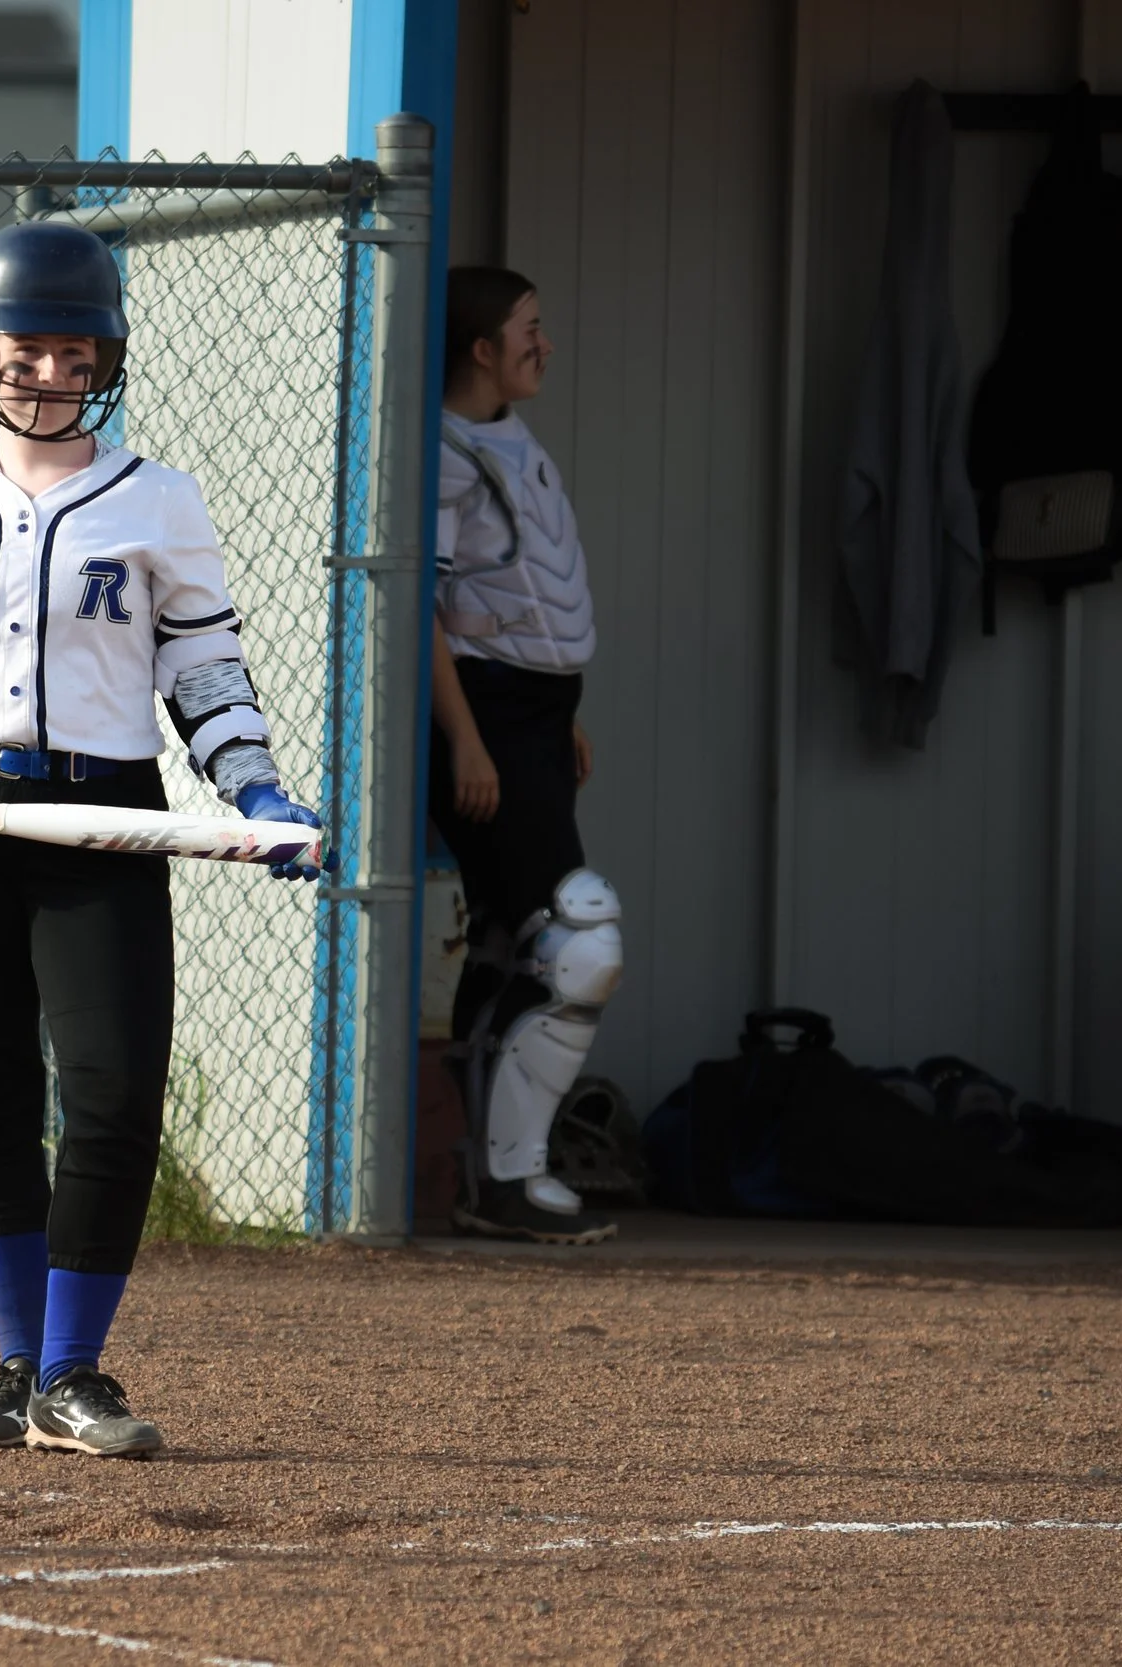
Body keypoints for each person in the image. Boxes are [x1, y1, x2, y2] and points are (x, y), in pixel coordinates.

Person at [0, 221, 323, 1457]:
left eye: (72, 351)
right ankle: (16, 1364)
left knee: (108, 1091)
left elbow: (205, 667)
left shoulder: (159, 501)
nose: (48, 374)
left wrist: (256, 791)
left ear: (108, 358)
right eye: (23, 352)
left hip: (102, 816)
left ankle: (73, 1373)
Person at [425, 267, 626, 1247]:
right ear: (481, 349)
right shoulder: (448, 452)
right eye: (528, 330)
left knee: (515, 936)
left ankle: (493, 1178)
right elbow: (426, 610)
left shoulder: (506, 433)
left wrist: (561, 715)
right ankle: (505, 1179)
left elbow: (524, 595)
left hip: (537, 714)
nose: (543, 345)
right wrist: (468, 736)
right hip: (487, 716)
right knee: (575, 939)